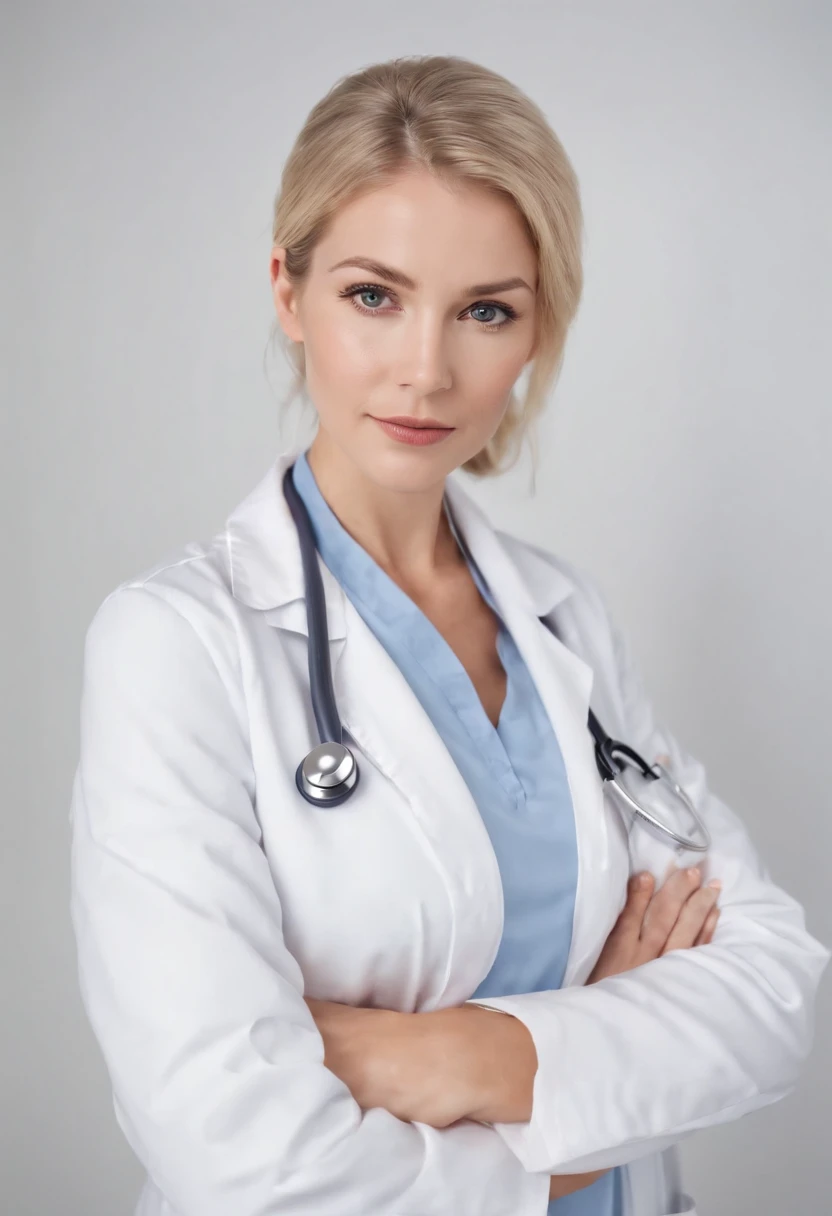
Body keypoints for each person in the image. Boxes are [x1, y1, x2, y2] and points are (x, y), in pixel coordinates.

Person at [69, 55, 829, 1216]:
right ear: (289, 291)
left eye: (485, 310)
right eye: (374, 295)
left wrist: (456, 1051)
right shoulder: (176, 647)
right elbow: (244, 1165)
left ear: (535, 332)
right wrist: (596, 1086)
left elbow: (774, 994)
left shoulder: (560, 617)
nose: (426, 371)